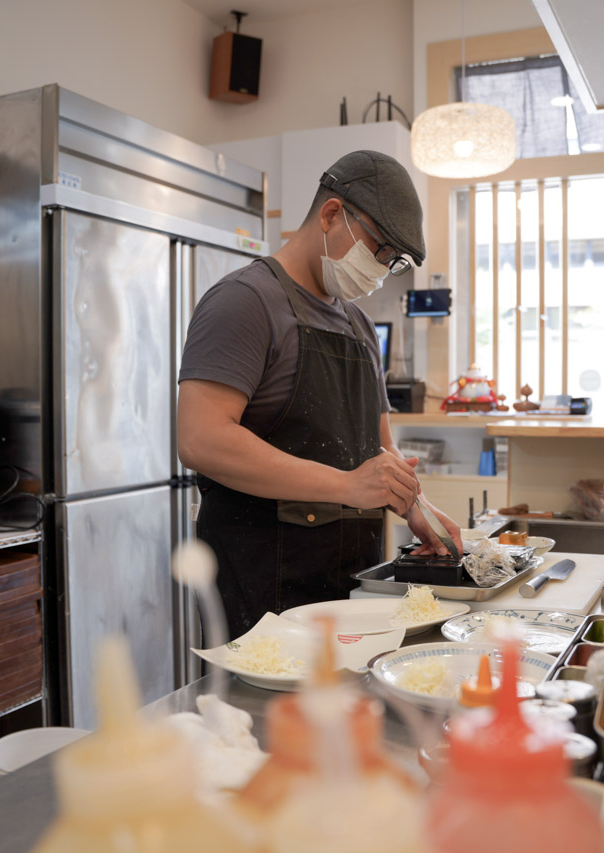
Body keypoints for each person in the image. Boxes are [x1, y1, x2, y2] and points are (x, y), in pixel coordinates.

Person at [177, 149, 462, 639]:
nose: (379, 268)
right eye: (379, 249)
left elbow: (379, 448)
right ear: (332, 215)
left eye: (391, 262)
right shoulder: (245, 302)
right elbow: (201, 441)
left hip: (351, 583)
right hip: (263, 586)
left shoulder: (358, 325)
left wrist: (415, 505)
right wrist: (348, 486)